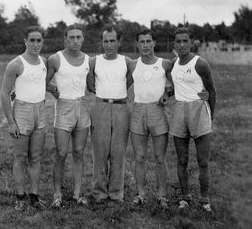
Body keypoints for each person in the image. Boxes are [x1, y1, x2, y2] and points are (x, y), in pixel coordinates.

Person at [0, 26, 48, 211]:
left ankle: (34, 196)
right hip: (22, 111)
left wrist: (52, 89)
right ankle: (20, 197)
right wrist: (11, 122)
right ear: (25, 41)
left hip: (40, 111)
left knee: (36, 157)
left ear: (43, 42)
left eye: (39, 40)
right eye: (32, 40)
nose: (36, 44)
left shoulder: (44, 61)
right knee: (20, 157)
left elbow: (40, 82)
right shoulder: (16, 64)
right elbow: (4, 94)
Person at [170, 27, 216, 212]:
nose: (181, 45)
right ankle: (185, 198)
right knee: (182, 159)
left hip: (199, 109)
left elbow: (211, 91)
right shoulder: (174, 63)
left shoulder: (201, 63)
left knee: (202, 161)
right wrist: (167, 94)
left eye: (185, 41)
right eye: (178, 41)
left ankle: (204, 200)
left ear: (191, 42)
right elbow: (176, 86)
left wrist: (210, 115)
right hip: (180, 110)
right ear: (174, 43)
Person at [86, 25, 133, 204]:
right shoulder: (94, 61)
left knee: (118, 152)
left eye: (112, 41)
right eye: (105, 41)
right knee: (100, 151)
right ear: (101, 43)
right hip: (101, 107)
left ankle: (115, 192)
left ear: (119, 42)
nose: (109, 45)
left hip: (121, 107)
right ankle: (99, 192)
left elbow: (130, 79)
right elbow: (90, 85)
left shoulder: (127, 61)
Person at [46, 24, 90, 208]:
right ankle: (57, 194)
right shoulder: (56, 58)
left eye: (78, 37)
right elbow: (44, 81)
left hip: (82, 107)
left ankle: (77, 194)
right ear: (65, 39)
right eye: (71, 37)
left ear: (83, 39)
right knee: (61, 153)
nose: (75, 41)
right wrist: (52, 89)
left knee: (79, 152)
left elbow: (92, 85)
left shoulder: (88, 59)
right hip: (64, 107)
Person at [128, 29, 173, 208]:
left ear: (154, 43)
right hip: (138, 111)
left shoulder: (165, 64)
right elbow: (122, 84)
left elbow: (177, 85)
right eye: (142, 42)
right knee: (139, 157)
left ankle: (162, 195)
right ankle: (140, 194)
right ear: (137, 44)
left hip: (157, 111)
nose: (145, 45)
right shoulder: (132, 64)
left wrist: (166, 95)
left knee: (159, 157)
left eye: (148, 41)